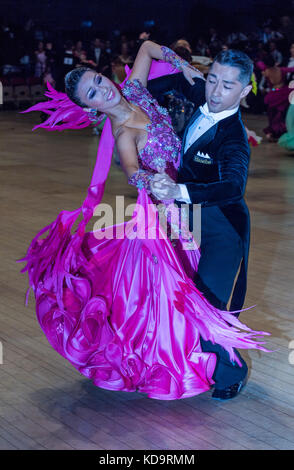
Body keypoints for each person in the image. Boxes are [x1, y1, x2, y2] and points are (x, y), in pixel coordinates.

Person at [18, 41, 269, 401]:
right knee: (183, 303)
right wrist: (153, 184)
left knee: (200, 301)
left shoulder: (137, 89)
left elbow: (148, 48)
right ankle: (210, 367)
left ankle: (216, 365)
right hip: (170, 210)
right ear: (91, 109)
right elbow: (134, 171)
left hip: (205, 214)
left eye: (100, 80)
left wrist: (179, 64)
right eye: (93, 93)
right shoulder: (123, 133)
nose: (103, 88)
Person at [147, 48, 260, 399]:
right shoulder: (202, 94)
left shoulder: (234, 138)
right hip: (190, 222)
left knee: (205, 310)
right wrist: (184, 71)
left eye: (227, 85)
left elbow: (232, 187)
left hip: (224, 230)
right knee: (178, 299)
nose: (215, 91)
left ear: (243, 92)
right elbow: (151, 88)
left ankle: (232, 373)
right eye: (212, 79)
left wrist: (178, 189)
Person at [260, 55, 294, 141]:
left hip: (273, 93)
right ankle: (276, 132)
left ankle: (271, 133)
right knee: (279, 115)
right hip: (282, 93)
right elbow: (291, 69)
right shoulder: (281, 70)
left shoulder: (266, 71)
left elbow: (259, 64)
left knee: (272, 115)